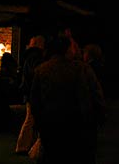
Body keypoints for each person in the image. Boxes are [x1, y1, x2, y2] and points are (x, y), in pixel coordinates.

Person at [30, 34, 105, 164]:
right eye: (73, 47)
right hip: (80, 130)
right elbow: (97, 97)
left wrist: (40, 126)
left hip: (51, 130)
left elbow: (35, 102)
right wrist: (97, 120)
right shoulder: (83, 69)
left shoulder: (41, 70)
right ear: (67, 49)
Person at [15, 35, 46, 155]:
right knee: (31, 118)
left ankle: (25, 145)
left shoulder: (29, 56)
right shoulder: (36, 57)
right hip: (33, 93)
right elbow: (36, 73)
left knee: (31, 118)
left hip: (29, 92)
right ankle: (23, 146)